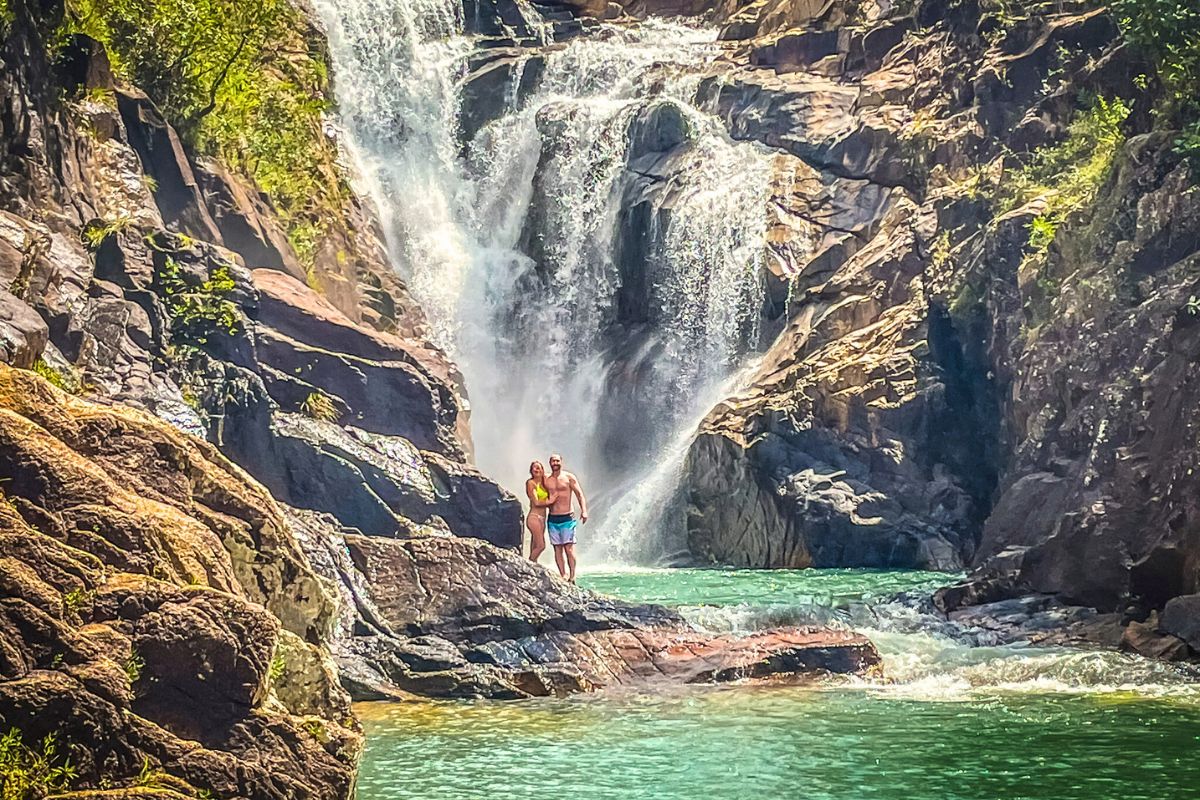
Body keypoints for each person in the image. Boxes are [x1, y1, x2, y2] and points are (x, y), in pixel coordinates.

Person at [543, 453, 588, 582]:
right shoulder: (546, 478)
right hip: (552, 518)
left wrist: (584, 511)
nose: (555, 463)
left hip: (567, 518)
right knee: (557, 548)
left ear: (561, 462)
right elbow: (534, 486)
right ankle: (563, 574)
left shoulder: (569, 477)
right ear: (550, 463)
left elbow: (579, 495)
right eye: (553, 461)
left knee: (569, 548)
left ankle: (572, 575)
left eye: (557, 461)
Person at [524, 460, 556, 563]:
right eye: (534, 468)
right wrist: (550, 501)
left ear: (542, 470)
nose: (536, 469)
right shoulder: (531, 483)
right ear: (531, 471)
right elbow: (536, 502)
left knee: (535, 545)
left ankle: (533, 564)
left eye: (538, 468)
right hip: (534, 517)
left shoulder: (544, 483)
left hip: (542, 518)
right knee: (541, 545)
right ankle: (529, 563)